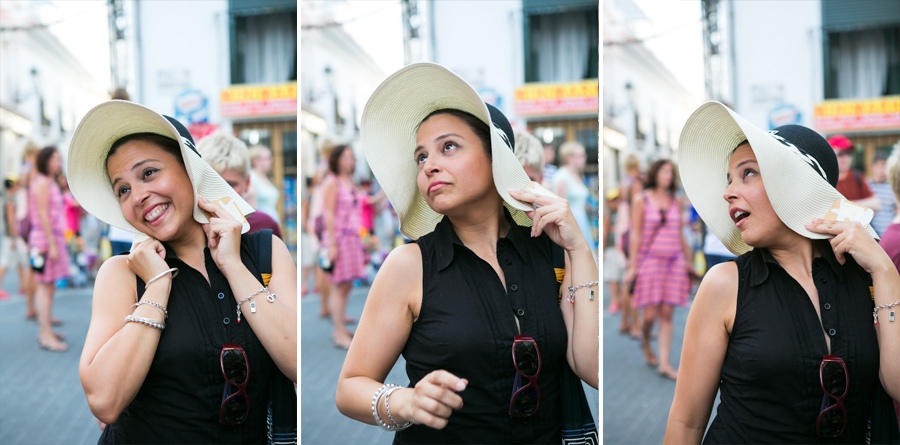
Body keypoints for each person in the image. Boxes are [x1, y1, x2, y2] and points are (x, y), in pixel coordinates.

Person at [336, 63, 598, 443]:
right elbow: (349, 388)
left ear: (497, 157)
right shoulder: (409, 265)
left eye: (449, 147)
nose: (430, 166)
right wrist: (406, 402)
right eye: (421, 157)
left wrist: (580, 251)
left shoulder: (553, 251)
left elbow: (590, 367)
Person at [666, 102, 900, 443]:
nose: (728, 192)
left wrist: (884, 269)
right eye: (728, 179)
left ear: (797, 185)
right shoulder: (724, 284)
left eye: (748, 173)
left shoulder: (867, 275)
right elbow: (685, 424)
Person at [70, 100, 296, 442]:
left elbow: (297, 362)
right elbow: (104, 401)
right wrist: (157, 285)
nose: (138, 196)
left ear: (191, 169)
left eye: (148, 173)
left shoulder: (264, 252)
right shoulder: (122, 273)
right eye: (123, 190)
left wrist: (233, 266)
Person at [625, 159, 692, 380]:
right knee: (650, 314)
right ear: (655, 173)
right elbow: (635, 234)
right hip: (650, 261)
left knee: (667, 313)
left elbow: (680, 233)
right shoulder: (641, 200)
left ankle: (664, 363)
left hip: (674, 262)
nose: (669, 176)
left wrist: (688, 262)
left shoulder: (676, 200)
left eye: (671, 172)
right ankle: (645, 340)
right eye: (665, 171)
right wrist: (633, 266)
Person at [196, 130, 283, 238]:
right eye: (212, 184)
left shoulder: (265, 226)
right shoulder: (189, 232)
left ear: (247, 183)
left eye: (231, 185)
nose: (221, 192)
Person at [321, 144, 366, 349]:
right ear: (337, 159)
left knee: (347, 284)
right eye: (345, 157)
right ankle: (338, 333)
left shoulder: (350, 181)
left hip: (352, 239)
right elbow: (328, 213)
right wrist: (331, 244)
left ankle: (339, 326)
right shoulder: (332, 181)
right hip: (339, 239)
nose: (350, 161)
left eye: (351, 157)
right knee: (339, 286)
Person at [28, 146, 71, 351]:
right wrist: (52, 243)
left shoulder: (48, 182)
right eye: (54, 158)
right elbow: (43, 214)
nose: (58, 162)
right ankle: (45, 335)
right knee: (44, 287)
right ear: (45, 161)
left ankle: (46, 330)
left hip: (49, 240)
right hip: (43, 242)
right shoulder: (42, 183)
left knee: (49, 286)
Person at [553, 141, 595, 257]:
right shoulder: (562, 176)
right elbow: (560, 205)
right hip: (572, 219)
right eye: (580, 155)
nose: (584, 158)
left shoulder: (576, 174)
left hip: (581, 219)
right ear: (569, 158)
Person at [828, 134, 881, 211]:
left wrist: (844, 205)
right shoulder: (824, 180)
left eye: (848, 153)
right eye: (841, 154)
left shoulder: (857, 177)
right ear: (830, 155)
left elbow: (876, 204)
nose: (845, 158)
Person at [0, 176, 28, 299]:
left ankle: (24, 287)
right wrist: (13, 237)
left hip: (12, 236)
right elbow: (11, 220)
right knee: (4, 263)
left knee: (19, 262)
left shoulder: (8, 198)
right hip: (11, 237)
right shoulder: (10, 201)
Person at [603, 188, 626, 319]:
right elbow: (606, 233)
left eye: (616, 199)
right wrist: (604, 249)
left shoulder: (623, 213)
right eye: (612, 200)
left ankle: (621, 300)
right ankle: (615, 300)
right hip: (612, 248)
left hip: (621, 249)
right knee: (613, 278)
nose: (615, 202)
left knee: (621, 276)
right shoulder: (609, 215)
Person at [248, 144, 281, 224]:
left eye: (270, 158)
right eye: (266, 158)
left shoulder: (266, 177)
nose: (270, 161)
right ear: (255, 161)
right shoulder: (252, 177)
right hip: (261, 223)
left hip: (272, 222)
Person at [869, 151, 897, 237]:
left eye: (886, 166)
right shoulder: (867, 186)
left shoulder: (893, 187)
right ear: (873, 167)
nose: (883, 170)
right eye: (881, 166)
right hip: (871, 235)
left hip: (890, 234)